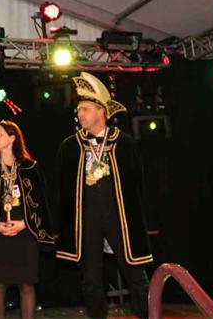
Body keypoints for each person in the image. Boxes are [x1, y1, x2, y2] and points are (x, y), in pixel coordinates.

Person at [56, 72, 152, 318]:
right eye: (78, 110)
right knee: (90, 279)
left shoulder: (124, 143)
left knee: (135, 275)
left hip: (120, 220)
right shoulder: (71, 146)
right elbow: (64, 192)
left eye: (85, 109)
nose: (80, 114)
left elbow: (139, 186)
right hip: (87, 222)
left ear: (101, 111)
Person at [0, 120, 55, 319]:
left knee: (26, 285)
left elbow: (43, 203)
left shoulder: (30, 168)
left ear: (12, 138)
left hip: (26, 234)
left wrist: (25, 223)